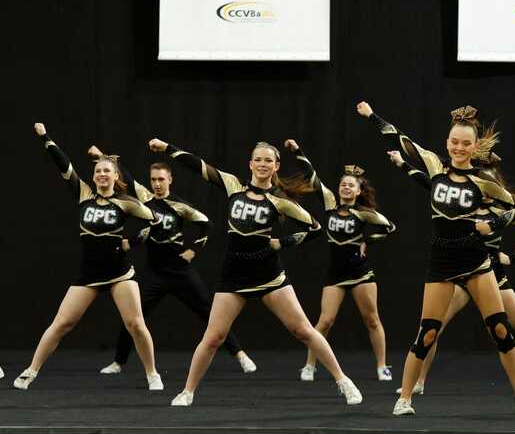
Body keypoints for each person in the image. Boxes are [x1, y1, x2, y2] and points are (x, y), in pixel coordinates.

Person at [357, 101, 515, 416]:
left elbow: (514, 209)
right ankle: (404, 398)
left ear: (474, 147)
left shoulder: (484, 181)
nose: (459, 147)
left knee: (500, 329)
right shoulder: (435, 168)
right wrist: (372, 116)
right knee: (427, 332)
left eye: (465, 143)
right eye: (454, 142)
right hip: (442, 261)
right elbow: (400, 139)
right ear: (447, 143)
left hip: (475, 260)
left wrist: (493, 224)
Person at [146, 138, 361, 407]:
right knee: (213, 337)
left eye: (268, 160)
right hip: (233, 274)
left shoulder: (279, 200)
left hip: (267, 273)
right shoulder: (233, 185)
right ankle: (187, 391)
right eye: (257, 159)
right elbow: (199, 166)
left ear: (276, 166)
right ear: (250, 163)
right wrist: (167, 148)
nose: (262, 164)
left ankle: (343, 380)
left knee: (303, 330)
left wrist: (282, 243)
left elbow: (315, 228)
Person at [389, 149, 515, 397]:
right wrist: (402, 163)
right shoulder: (463, 203)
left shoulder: (501, 212)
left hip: (491, 274)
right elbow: (428, 182)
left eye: (491, 183)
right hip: (458, 273)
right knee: (433, 329)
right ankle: (419, 381)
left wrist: (512, 257)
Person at [14, 124, 161, 391]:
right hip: (89, 274)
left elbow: (155, 220)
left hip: (120, 273)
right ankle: (31, 371)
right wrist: (45, 137)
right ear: (93, 176)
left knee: (135, 324)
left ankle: (152, 374)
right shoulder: (84, 194)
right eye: (98, 171)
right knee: (62, 323)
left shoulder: (125, 201)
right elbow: (64, 165)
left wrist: (132, 243)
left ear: (115, 176)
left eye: (107, 170)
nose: (102, 174)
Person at [88, 148, 256, 376]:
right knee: (133, 317)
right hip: (154, 272)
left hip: (179, 271)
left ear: (170, 180)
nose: (156, 184)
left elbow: (207, 224)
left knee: (209, 313)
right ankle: (118, 362)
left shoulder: (180, 206)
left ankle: (240, 354)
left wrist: (193, 251)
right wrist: (103, 155)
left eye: (161, 179)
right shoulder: (146, 199)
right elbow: (126, 177)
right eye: (153, 180)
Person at [284, 140, 396, 382]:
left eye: (351, 186)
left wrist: (368, 241)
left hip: (360, 271)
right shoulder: (330, 204)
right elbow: (312, 177)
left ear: (358, 191)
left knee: (372, 319)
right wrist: (297, 152)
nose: (345, 187)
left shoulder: (363, 212)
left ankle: (382, 366)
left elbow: (389, 227)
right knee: (325, 320)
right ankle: (310, 365)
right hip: (335, 272)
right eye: (343, 184)